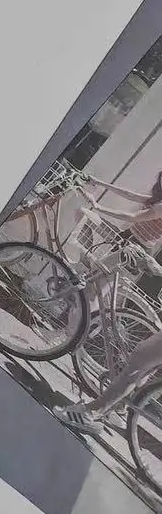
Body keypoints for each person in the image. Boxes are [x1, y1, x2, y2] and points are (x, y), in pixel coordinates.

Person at [56, 170, 162, 435]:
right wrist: (100, 183)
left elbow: (134, 217)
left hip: (134, 251)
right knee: (144, 364)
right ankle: (118, 407)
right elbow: (131, 195)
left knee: (93, 290)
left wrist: (98, 205)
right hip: (127, 243)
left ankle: (78, 332)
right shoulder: (157, 198)